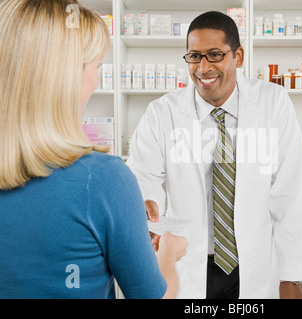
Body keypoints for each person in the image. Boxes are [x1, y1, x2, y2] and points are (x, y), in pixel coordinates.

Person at [0, 0, 187, 299]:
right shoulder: (103, 178)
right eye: (96, 66)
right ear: (64, 77)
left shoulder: (103, 185)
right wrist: (168, 253)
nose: (96, 78)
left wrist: (119, 215)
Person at [127, 11, 302, 299]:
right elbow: (142, 175)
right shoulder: (161, 113)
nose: (203, 67)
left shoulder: (273, 103)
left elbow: (290, 193)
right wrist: (148, 202)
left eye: (214, 55)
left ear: (237, 57)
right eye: (194, 56)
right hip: (189, 263)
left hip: (254, 265)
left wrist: (293, 277)